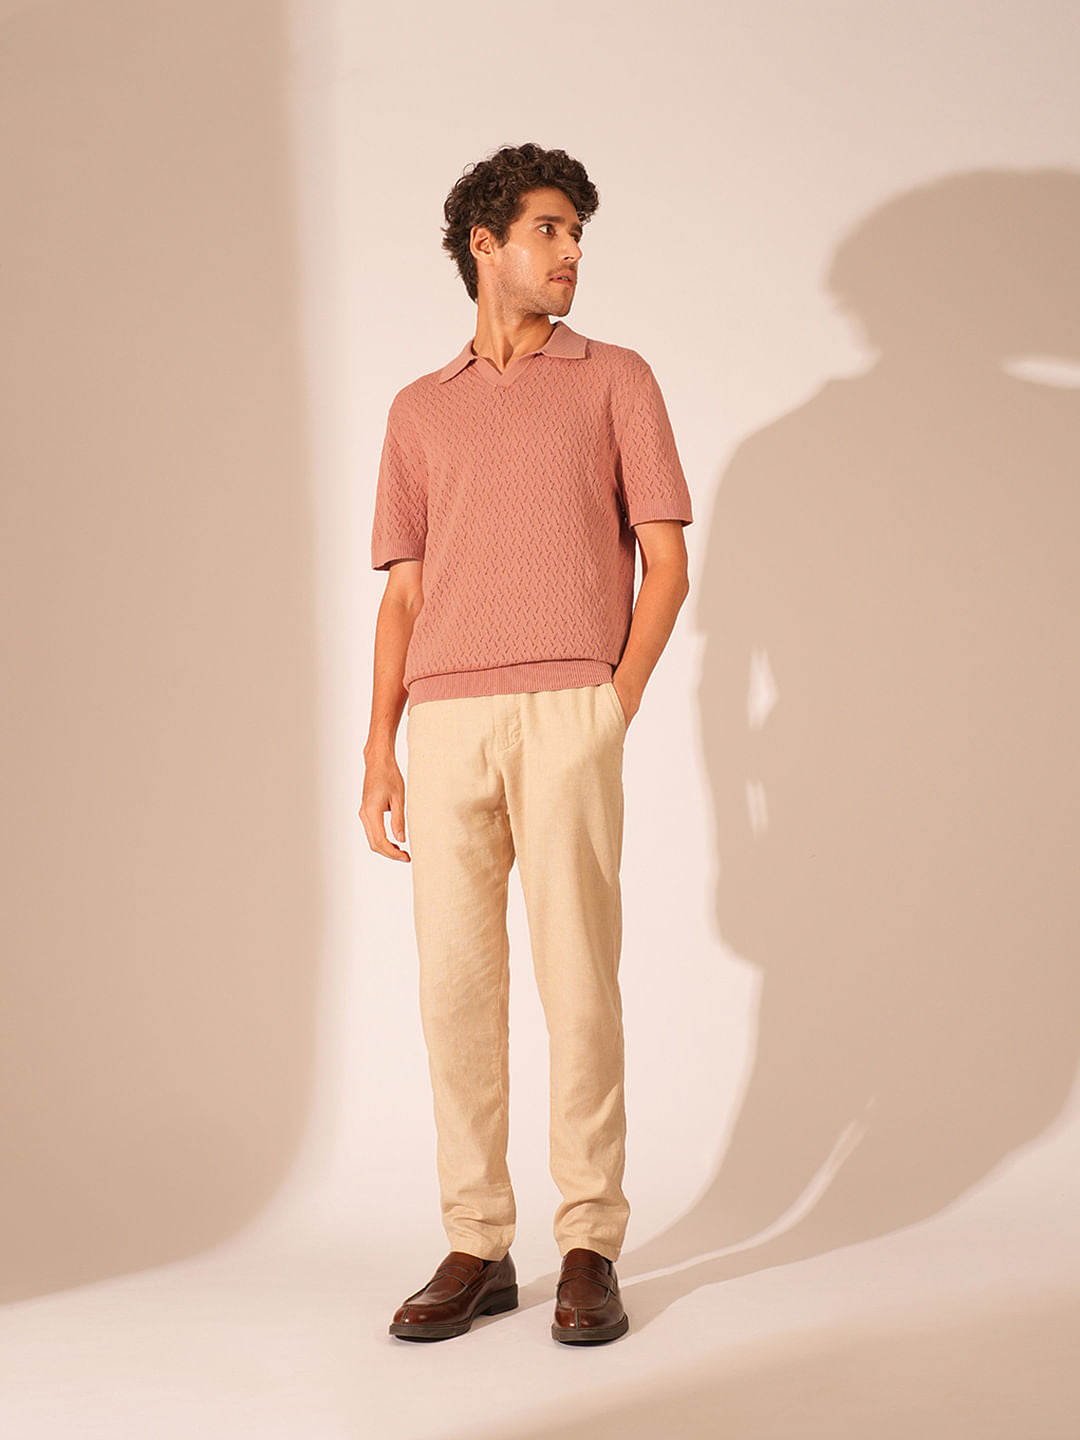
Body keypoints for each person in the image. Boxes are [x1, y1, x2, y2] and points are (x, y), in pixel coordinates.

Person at [360, 141, 693, 1344]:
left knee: (577, 979)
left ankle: (589, 1241)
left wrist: (614, 702)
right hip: (445, 720)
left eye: (576, 233)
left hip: (568, 712)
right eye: (549, 230)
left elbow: (668, 564)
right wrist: (379, 748)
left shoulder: (617, 380)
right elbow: (404, 594)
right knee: (454, 991)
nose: (571, 253)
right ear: (484, 245)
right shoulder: (419, 409)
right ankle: (478, 1242)